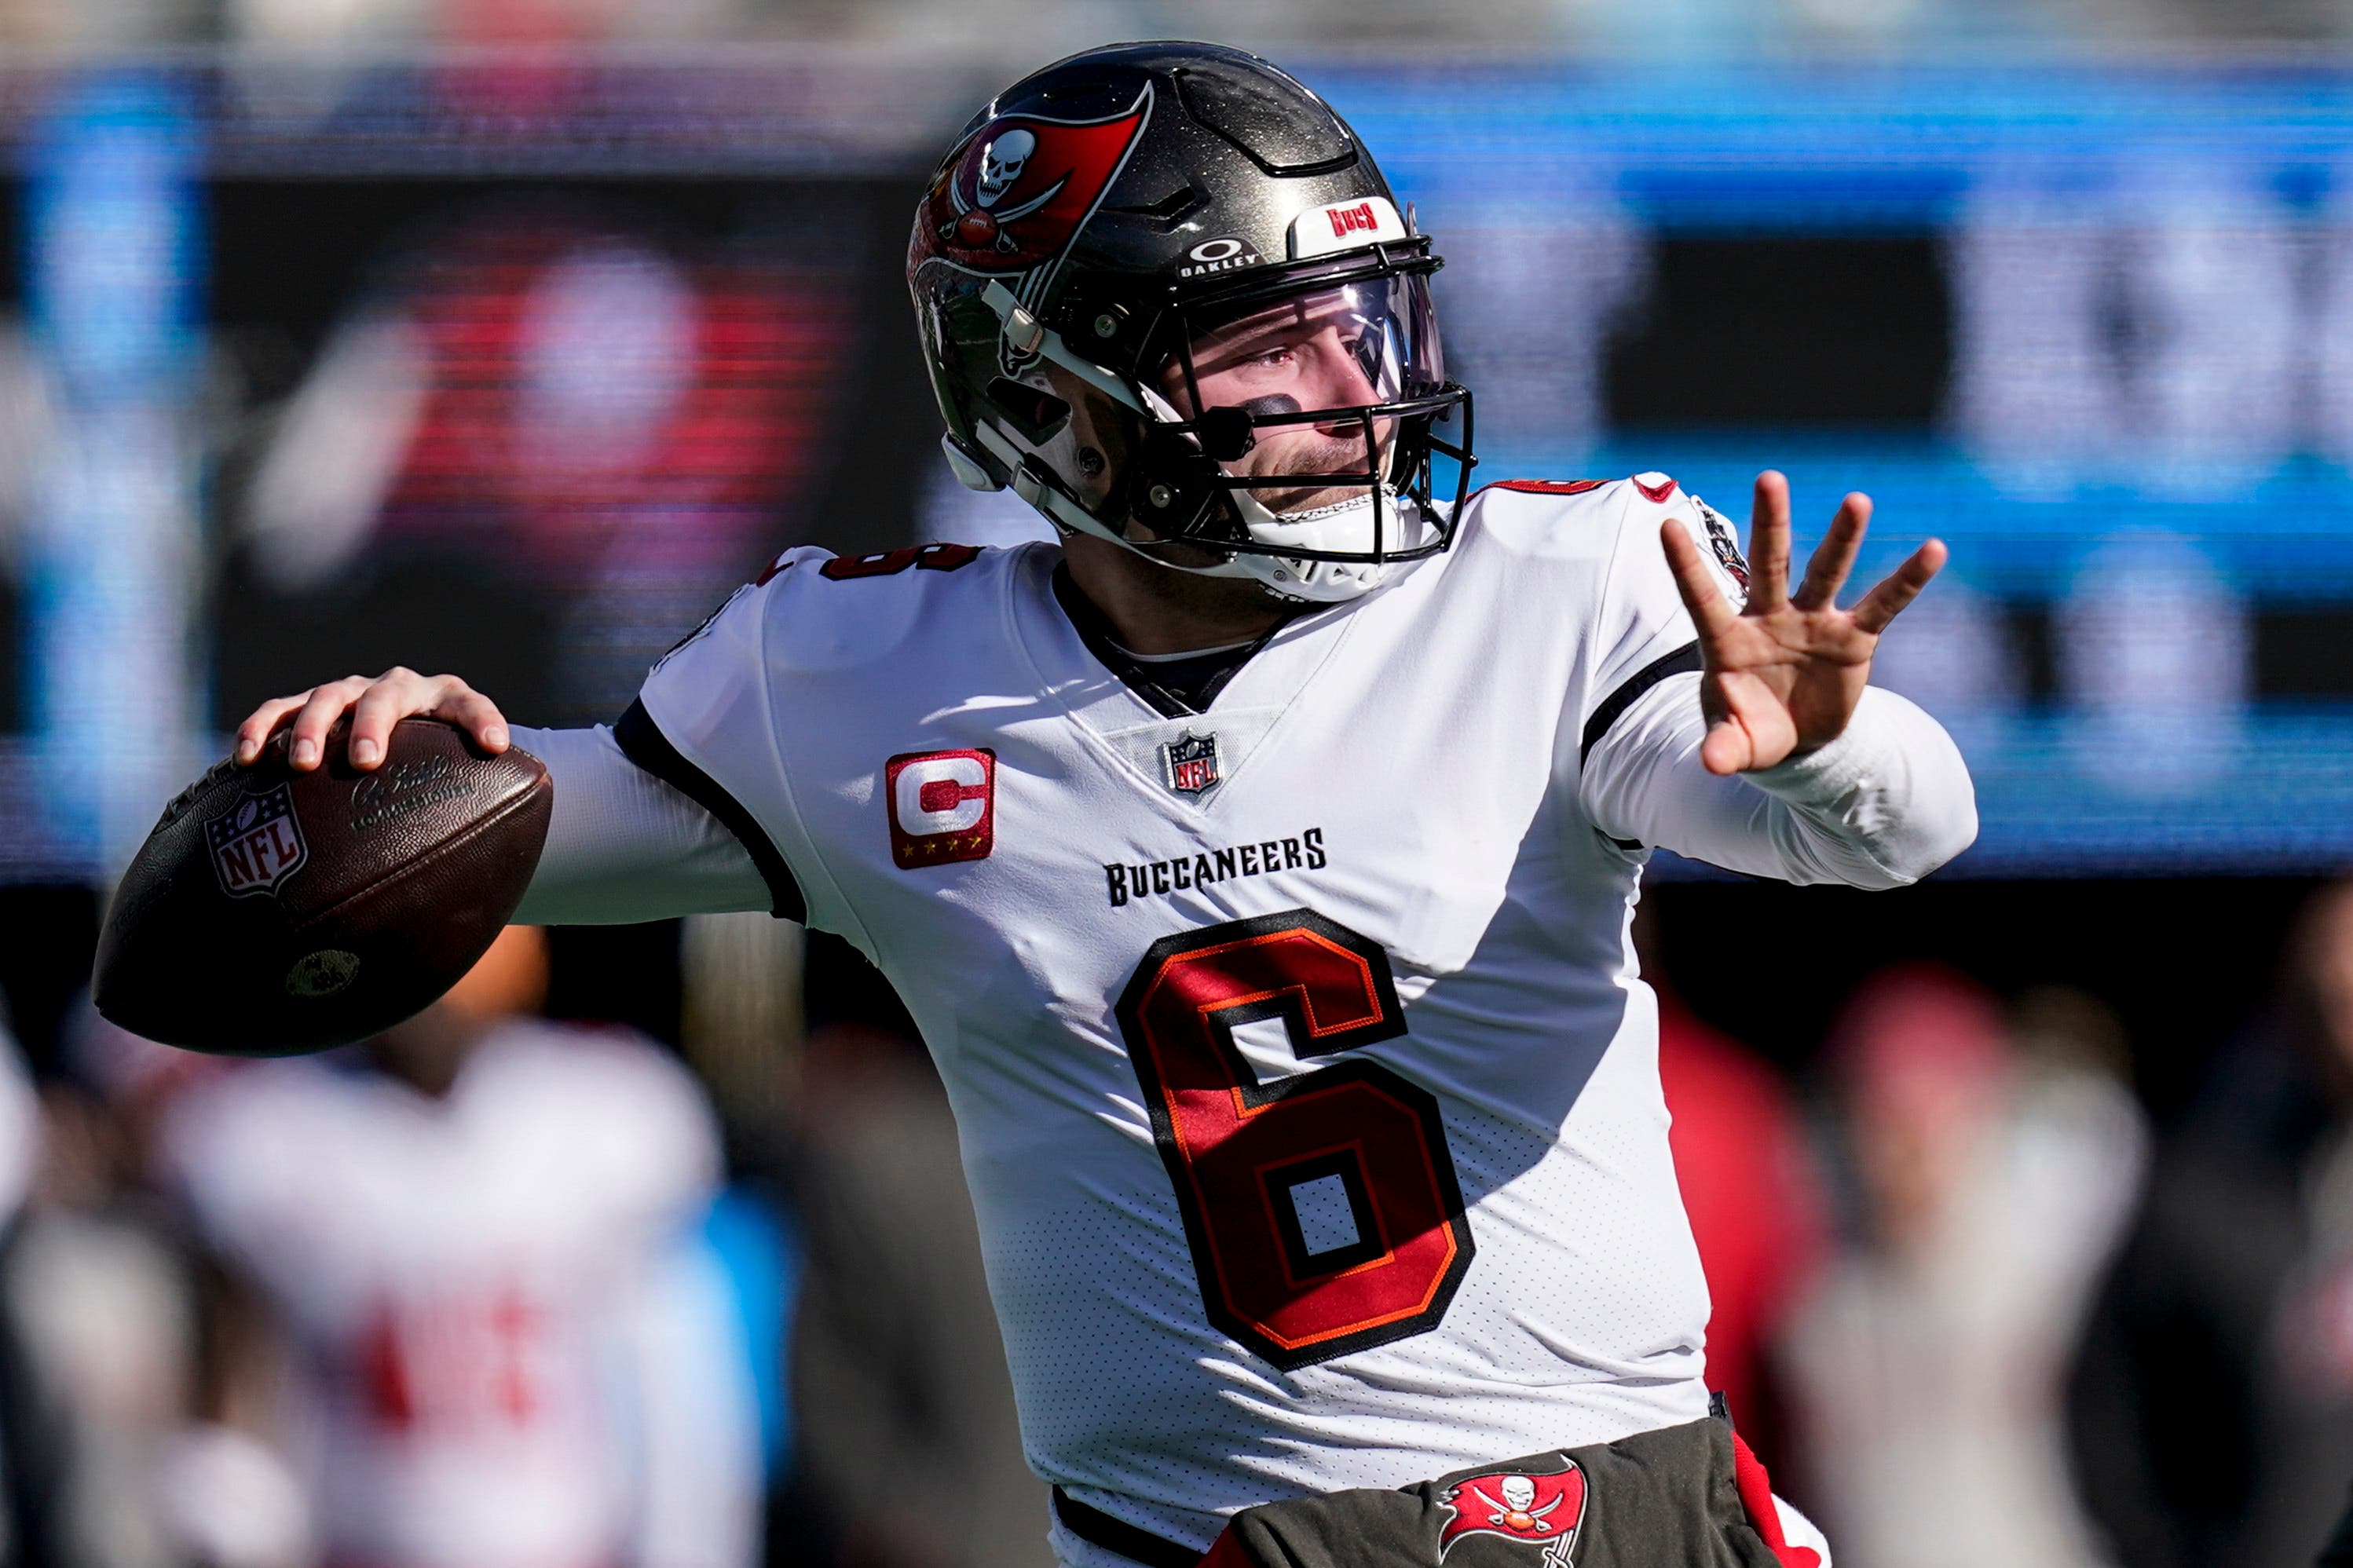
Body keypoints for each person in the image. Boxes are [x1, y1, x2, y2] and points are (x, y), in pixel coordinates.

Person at [220, 42, 1974, 1568]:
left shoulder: (1561, 576)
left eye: (1360, 333)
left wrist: (1827, 745)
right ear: (1048, 397)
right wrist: (390, 751)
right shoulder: (859, 676)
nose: (1349, 403)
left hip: (1636, 1509)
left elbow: (1898, 828)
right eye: (1262, 355)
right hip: (1213, 1538)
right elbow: (496, 835)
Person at [160, 927, 760, 1568]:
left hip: (564, 1546)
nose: (428, 998)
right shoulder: (268, 1131)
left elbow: (677, 1387)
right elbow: (237, 1376)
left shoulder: (607, 1113)